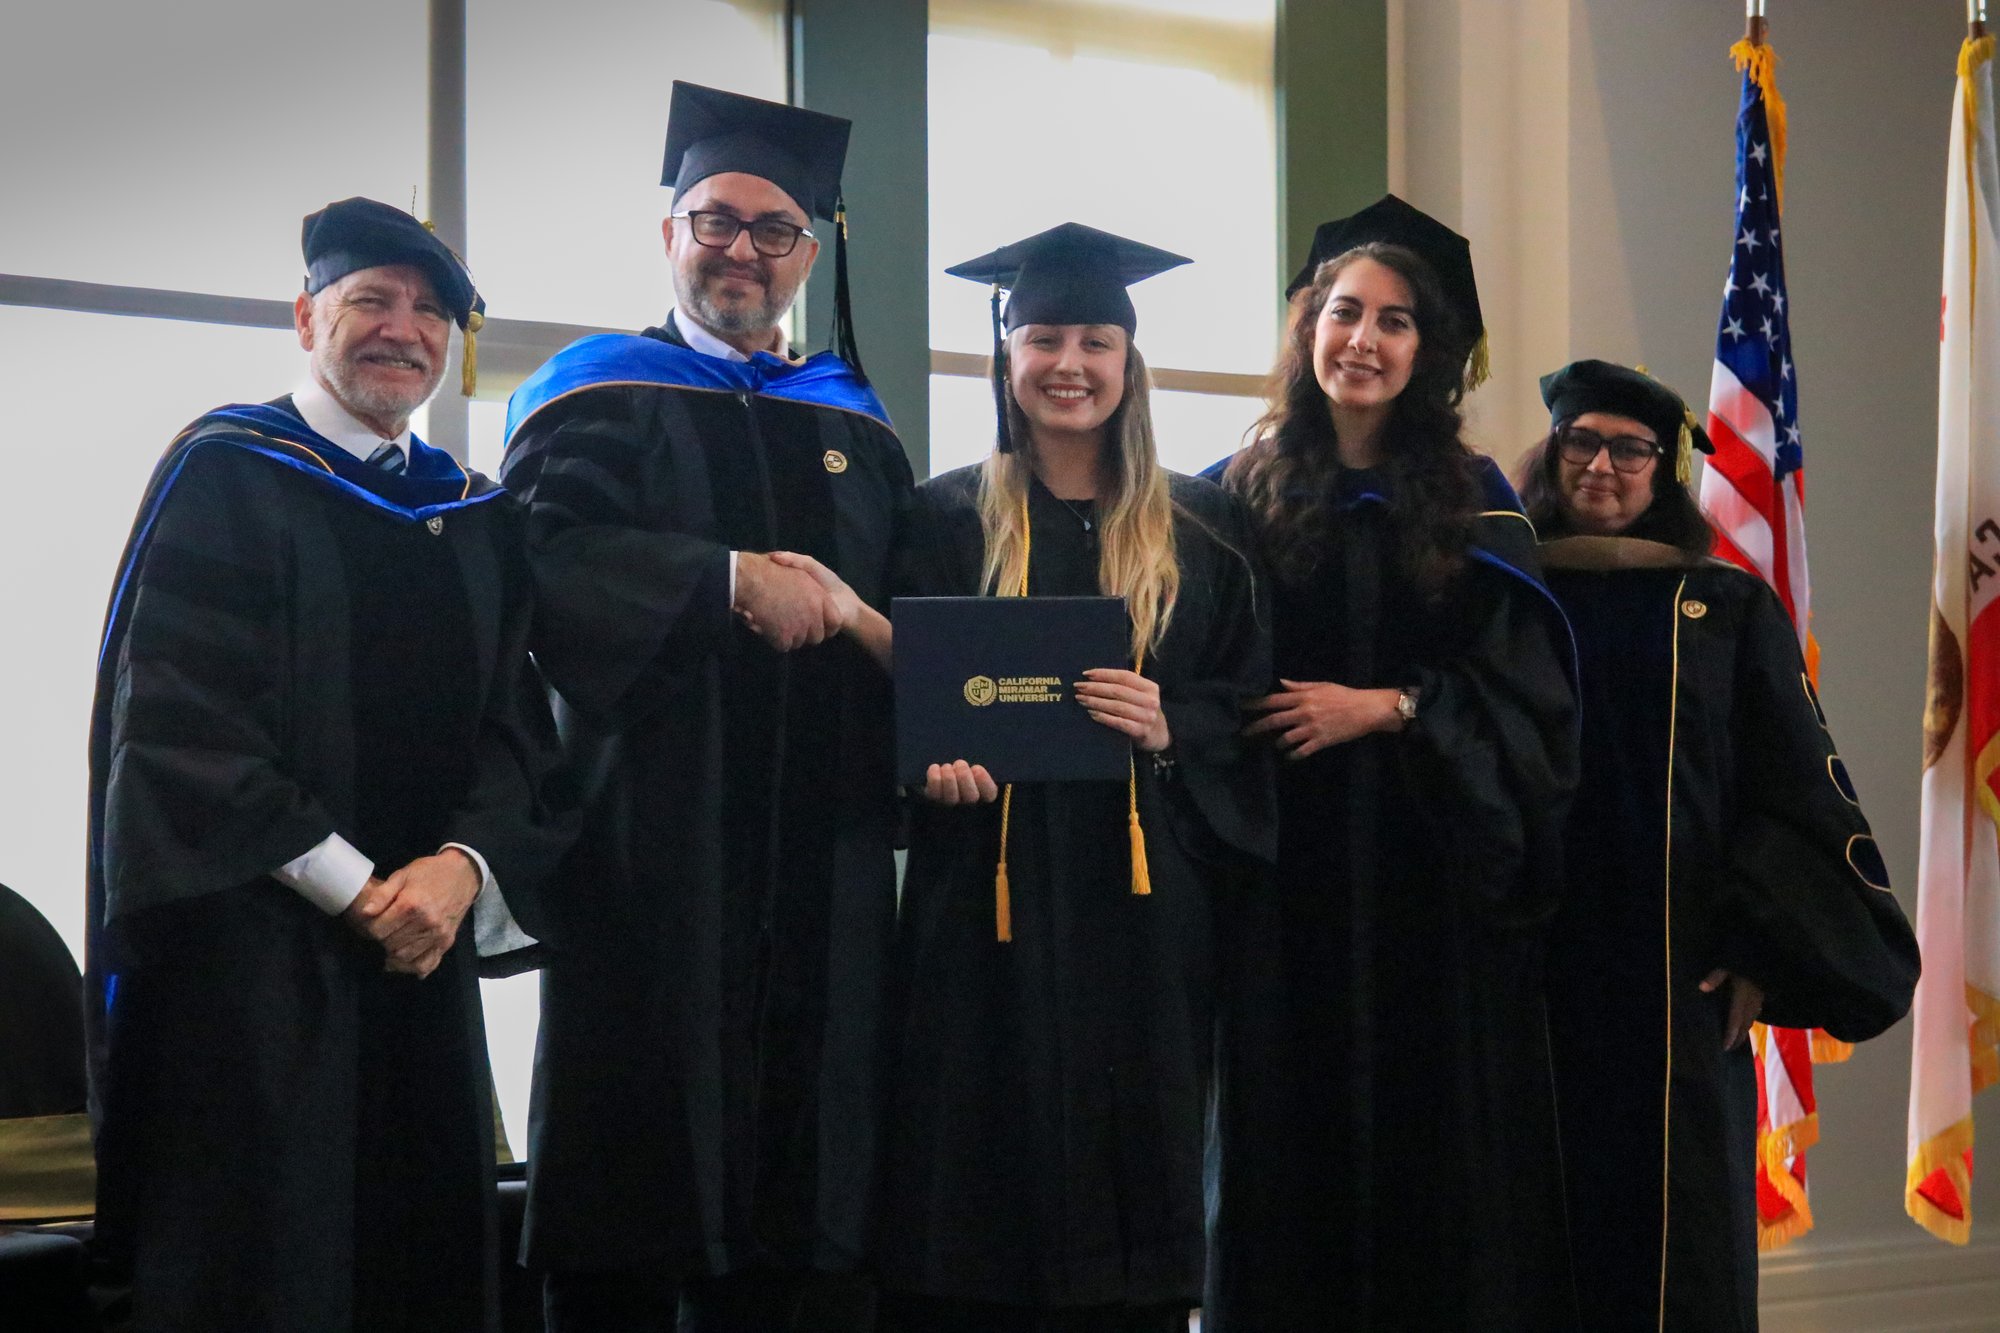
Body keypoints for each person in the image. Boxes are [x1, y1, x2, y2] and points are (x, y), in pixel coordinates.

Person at [85, 196, 570, 1332]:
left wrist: (461, 868)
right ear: (306, 316)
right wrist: (358, 890)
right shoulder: (229, 475)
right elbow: (182, 730)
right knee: (269, 1262)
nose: (401, 328)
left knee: (424, 1256)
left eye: (427, 310)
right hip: (256, 970)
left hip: (421, 960)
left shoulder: (474, 511)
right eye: (370, 301)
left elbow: (517, 732)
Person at [777, 221, 1269, 1333]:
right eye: (1041, 336)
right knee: (970, 1153)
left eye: (1095, 339)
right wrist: (927, 773)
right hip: (979, 893)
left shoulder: (1203, 524)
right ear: (1004, 356)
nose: (1068, 364)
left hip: (1140, 904)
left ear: (1127, 362)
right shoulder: (944, 514)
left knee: (1131, 1158)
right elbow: (897, 703)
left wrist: (1166, 723)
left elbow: (1244, 705)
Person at [499, 82, 913, 1333]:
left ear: (810, 250)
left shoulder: (854, 422)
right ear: (668, 231)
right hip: (648, 853)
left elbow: (906, 609)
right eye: (715, 220)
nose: (742, 248)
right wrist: (724, 580)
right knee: (641, 1160)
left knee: (812, 1166)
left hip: (823, 863)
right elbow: (539, 568)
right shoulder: (592, 394)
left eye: (774, 229)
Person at [1204, 195, 1581, 1331]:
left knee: (1437, 1159)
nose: (1360, 339)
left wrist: (1391, 706)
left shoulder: (1478, 508)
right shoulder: (1235, 492)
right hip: (1279, 879)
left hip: (1433, 883)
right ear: (1307, 325)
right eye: (1341, 311)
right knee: (1280, 1150)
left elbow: (1534, 708)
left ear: (1429, 354)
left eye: (1394, 322)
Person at [1517, 359, 1920, 1330]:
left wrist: (1756, 947)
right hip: (1519, 972)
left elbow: (1787, 794)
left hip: (1673, 980)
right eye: (1581, 441)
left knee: (1672, 1247)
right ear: (1550, 453)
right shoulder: (1501, 591)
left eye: (1629, 449)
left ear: (1662, 470)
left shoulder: (1721, 611)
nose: (1601, 467)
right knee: (1524, 1223)